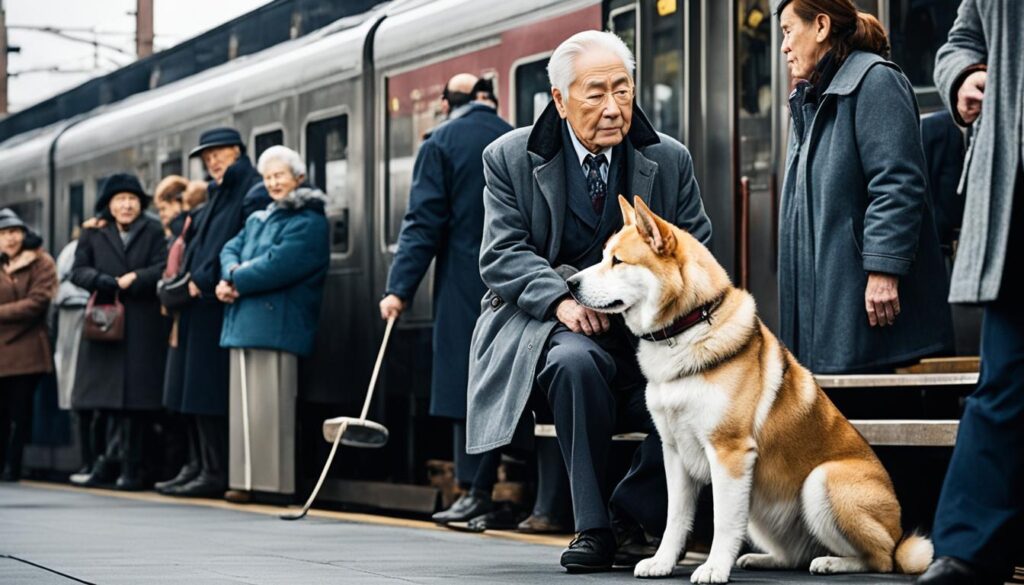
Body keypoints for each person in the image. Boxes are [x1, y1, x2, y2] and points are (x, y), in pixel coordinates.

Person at [467, 30, 712, 571]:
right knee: (575, 364)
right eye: (595, 93)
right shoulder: (508, 158)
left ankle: (628, 511)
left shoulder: (667, 160)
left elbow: (694, 248)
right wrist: (561, 299)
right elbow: (502, 253)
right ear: (559, 100)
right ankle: (592, 527)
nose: (612, 107)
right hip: (551, 326)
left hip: (651, 331)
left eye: (622, 91)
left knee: (699, 386)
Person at [775, 0, 954, 374]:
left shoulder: (875, 80)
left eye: (789, 31)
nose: (784, 47)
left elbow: (897, 182)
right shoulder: (812, 99)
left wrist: (883, 268)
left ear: (821, 26)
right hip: (829, 316)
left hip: (870, 316)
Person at [918, 2, 1024, 583]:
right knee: (1004, 375)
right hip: (1014, 188)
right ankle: (969, 550)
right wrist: (962, 76)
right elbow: (963, 38)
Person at [379, 72, 515, 526]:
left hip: (466, 278)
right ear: (488, 100)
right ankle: (522, 486)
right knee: (512, 380)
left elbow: (423, 222)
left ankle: (474, 489)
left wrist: (399, 289)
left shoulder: (441, 142)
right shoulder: (517, 137)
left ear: (446, 103)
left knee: (467, 380)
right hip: (520, 280)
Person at [216, 145, 329, 502]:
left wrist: (234, 281)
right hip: (246, 321)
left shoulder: (309, 221)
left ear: (299, 177)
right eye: (267, 178)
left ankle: (273, 484)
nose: (273, 183)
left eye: (279, 175)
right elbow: (228, 250)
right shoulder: (258, 217)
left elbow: (280, 264)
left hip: (278, 324)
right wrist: (230, 274)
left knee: (270, 408)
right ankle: (245, 480)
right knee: (246, 410)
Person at [161, 127, 270, 498]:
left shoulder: (249, 190)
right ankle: (197, 465)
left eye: (218, 154)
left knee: (207, 394)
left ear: (238, 151)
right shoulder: (217, 194)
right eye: (208, 158)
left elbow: (240, 244)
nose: (213, 162)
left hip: (216, 303)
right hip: (199, 303)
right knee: (191, 395)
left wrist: (205, 279)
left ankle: (214, 469)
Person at [69, 174, 169, 491]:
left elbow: (162, 267)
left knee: (137, 404)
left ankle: (133, 468)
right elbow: (78, 270)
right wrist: (103, 280)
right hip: (106, 324)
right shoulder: (92, 232)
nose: (126, 205)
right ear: (109, 205)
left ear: (141, 203)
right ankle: (105, 465)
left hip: (143, 325)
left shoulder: (153, 230)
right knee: (105, 402)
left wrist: (136, 278)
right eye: (119, 200)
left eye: (132, 199)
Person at [0, 209, 58, 481]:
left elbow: (38, 302)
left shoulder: (41, 261)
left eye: (14, 232)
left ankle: (14, 464)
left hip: (29, 350)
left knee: (20, 411)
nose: (10, 239)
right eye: (3, 234)